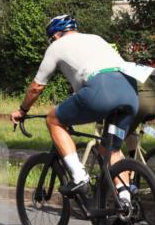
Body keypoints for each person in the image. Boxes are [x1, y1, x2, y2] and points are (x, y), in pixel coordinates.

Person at [10, 14, 146, 207]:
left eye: (51, 39)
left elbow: (36, 87)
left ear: (56, 35)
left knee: (53, 119)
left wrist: (22, 110)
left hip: (101, 91)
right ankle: (125, 203)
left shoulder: (55, 47)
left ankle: (79, 176)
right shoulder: (96, 38)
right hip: (130, 92)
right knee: (112, 149)